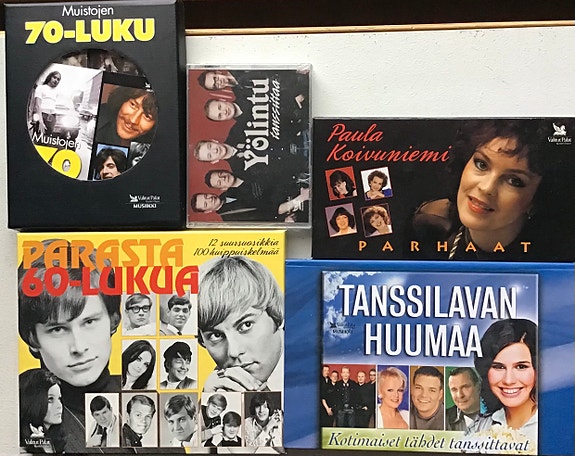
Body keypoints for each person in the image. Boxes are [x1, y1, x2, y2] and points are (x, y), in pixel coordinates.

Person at [409, 119, 574, 260]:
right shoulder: (430, 226)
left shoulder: (561, 255)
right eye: (481, 164)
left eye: (514, 181)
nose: (486, 188)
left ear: (537, 197)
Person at [18, 240, 121, 453]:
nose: (79, 347)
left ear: (113, 320)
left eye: (89, 322)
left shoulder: (149, 396)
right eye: (57, 329)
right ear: (32, 338)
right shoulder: (18, 417)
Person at [198, 256, 284, 392]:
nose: (233, 352)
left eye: (246, 325)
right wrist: (207, 401)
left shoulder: (308, 364)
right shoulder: (216, 388)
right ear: (202, 340)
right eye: (216, 335)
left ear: (278, 314)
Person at [469, 319, 537, 442]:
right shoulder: (478, 428)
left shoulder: (555, 425)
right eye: (499, 367)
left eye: (521, 367)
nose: (508, 380)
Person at [19, 369, 66, 453]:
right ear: (32, 402)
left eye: (59, 398)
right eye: (50, 399)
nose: (59, 406)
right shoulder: (20, 448)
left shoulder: (60, 440)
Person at [446, 367, 481, 431]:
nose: (460, 395)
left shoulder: (497, 415)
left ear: (478, 387)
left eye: (465, 387)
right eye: (454, 389)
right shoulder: (444, 417)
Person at [410, 366, 445, 430]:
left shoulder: (447, 421)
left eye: (432, 390)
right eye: (418, 388)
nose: (424, 395)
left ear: (440, 394)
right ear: (412, 389)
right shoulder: (403, 409)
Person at [32, 70, 61, 135]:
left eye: (58, 79)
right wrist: (41, 122)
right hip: (42, 116)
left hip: (52, 117)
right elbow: (37, 105)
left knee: (48, 138)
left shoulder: (56, 92)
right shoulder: (41, 88)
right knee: (39, 137)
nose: (56, 80)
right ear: (50, 77)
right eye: (54, 77)